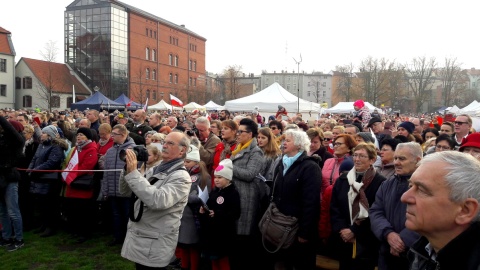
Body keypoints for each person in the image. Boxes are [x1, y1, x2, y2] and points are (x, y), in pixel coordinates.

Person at [119, 131, 191, 269]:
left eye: (170, 143)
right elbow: (126, 191)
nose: (164, 146)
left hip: (155, 242)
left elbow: (158, 201)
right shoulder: (156, 169)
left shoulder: (181, 177)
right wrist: (127, 169)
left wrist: (134, 174)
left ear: (182, 150)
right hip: (142, 236)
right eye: (164, 142)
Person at [401, 151, 480, 269]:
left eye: (422, 190)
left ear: (465, 210)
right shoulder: (421, 251)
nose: (404, 198)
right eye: (410, 186)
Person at [268, 130, 322, 270]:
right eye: (284, 140)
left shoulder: (310, 167)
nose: (283, 143)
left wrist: (305, 232)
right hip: (280, 225)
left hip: (297, 227)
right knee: (281, 262)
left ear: (299, 145)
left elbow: (311, 202)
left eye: (288, 140)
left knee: (298, 263)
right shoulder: (282, 163)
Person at [330, 142, 386, 270]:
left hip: (366, 239)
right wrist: (343, 229)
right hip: (343, 237)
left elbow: (376, 210)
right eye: (355, 155)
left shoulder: (380, 182)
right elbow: (335, 207)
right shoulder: (343, 179)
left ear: (372, 159)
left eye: (362, 156)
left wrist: (354, 230)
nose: (356, 159)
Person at [369, 142, 422, 270]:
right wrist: (388, 234)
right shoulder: (387, 184)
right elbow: (376, 211)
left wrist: (403, 240)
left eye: (402, 159)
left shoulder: (426, 186)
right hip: (386, 252)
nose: (396, 162)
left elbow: (430, 217)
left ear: (418, 160)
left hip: (415, 255)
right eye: (396, 158)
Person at [229, 118, 265, 270]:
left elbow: (250, 174)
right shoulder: (239, 148)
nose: (237, 134)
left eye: (240, 132)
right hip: (236, 195)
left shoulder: (256, 152)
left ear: (250, 134)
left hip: (247, 199)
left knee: (243, 237)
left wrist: (229, 167)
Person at [199, 159, 240, 270]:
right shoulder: (215, 191)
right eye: (215, 177)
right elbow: (209, 204)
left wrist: (218, 214)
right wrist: (204, 210)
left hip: (224, 234)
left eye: (220, 177)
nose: (216, 180)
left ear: (228, 179)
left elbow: (235, 213)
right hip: (212, 233)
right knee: (213, 260)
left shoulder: (233, 193)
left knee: (222, 260)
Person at [28, 125, 68, 237]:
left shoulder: (56, 146)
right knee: (42, 204)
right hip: (39, 177)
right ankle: (44, 224)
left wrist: (35, 170)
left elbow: (51, 162)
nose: (41, 135)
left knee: (50, 204)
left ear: (50, 135)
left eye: (44, 133)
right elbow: (35, 158)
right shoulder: (41, 145)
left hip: (50, 180)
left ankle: (51, 227)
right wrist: (30, 168)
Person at [61, 127, 99, 243]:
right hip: (73, 184)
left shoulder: (91, 149)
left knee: (83, 212)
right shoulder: (77, 149)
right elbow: (71, 163)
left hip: (82, 186)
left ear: (88, 137)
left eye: (81, 135)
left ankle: (84, 233)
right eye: (78, 135)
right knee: (74, 211)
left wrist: (70, 174)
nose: (78, 137)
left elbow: (87, 166)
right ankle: (76, 231)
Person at [177, 144, 211, 270]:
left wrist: (185, 196)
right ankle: (184, 266)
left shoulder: (204, 177)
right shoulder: (183, 174)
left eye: (188, 161)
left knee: (192, 246)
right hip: (183, 214)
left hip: (193, 215)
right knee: (183, 245)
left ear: (196, 161)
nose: (185, 164)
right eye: (184, 161)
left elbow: (203, 196)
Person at [102, 124, 136, 246]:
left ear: (122, 135)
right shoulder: (110, 151)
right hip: (113, 190)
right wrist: (105, 190)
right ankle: (117, 237)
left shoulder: (133, 150)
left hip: (127, 191)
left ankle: (129, 240)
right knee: (116, 215)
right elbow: (106, 172)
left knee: (128, 216)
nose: (111, 136)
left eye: (114, 134)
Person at [0, 118, 25, 251]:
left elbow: (12, 132)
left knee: (13, 211)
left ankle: (19, 238)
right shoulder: (2, 139)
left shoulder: (17, 141)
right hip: (0, 178)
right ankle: (6, 237)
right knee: (2, 212)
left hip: (10, 178)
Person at [212, 120, 238, 188]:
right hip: (216, 182)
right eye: (222, 128)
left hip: (230, 183)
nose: (222, 130)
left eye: (226, 128)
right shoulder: (219, 145)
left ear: (234, 131)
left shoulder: (238, 147)